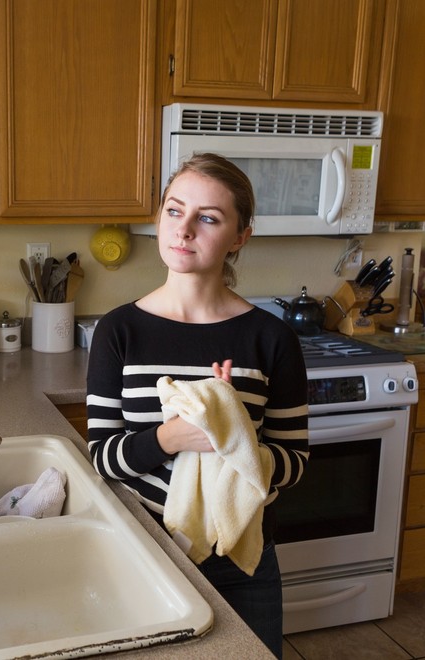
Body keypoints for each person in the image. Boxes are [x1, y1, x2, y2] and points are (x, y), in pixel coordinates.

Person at [86, 153, 309, 658]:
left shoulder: (271, 338)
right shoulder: (119, 331)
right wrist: (173, 437)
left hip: (242, 558)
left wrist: (235, 441)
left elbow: (295, 463)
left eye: (208, 217)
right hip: (143, 550)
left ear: (240, 237)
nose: (183, 229)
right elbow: (101, 458)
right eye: (174, 210)